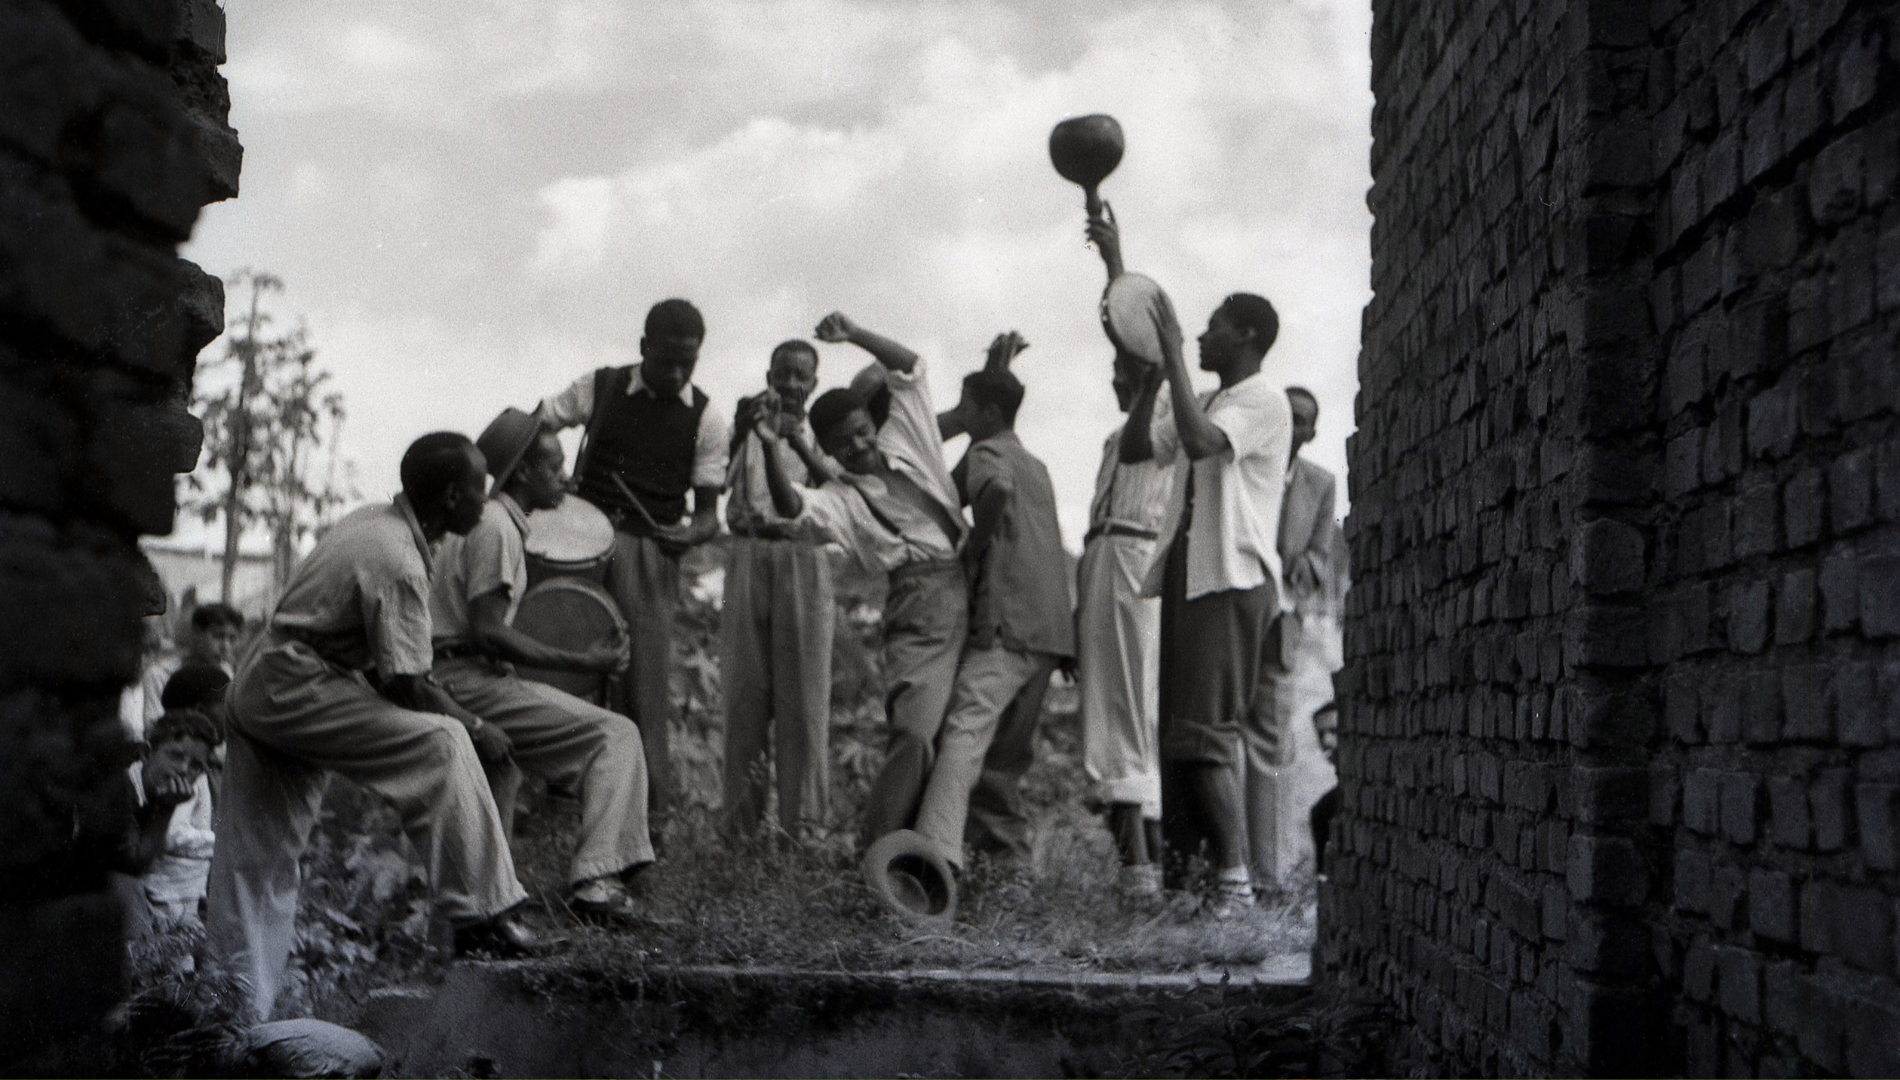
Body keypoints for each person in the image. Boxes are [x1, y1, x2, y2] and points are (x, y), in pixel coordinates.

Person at [206, 432, 540, 1023]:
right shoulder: (397, 556)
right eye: (480, 488)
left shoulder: (384, 525)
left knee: (259, 862)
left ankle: (234, 1018)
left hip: (277, 682)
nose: (487, 501)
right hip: (294, 683)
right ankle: (481, 916)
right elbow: (406, 684)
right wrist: (478, 722)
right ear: (451, 495)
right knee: (444, 743)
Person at [1095, 210, 1294, 917]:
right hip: (1189, 573)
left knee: (1206, 737)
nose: (1202, 336)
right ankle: (1185, 887)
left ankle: (1236, 887)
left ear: (1246, 335)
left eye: (1213, 327)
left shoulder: (1262, 401)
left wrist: (1173, 354)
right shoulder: (1202, 393)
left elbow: (1205, 442)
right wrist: (1148, 355)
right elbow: (1137, 451)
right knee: (1179, 738)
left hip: (1231, 580)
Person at [750, 311, 968, 847]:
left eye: (862, 434)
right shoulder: (844, 500)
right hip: (918, 605)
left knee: (966, 735)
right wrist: (769, 446)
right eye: (843, 445)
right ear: (828, 449)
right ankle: (876, 856)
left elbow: (911, 367)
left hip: (974, 579)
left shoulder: (908, 439)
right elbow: (791, 505)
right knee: (916, 732)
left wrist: (854, 335)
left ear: (876, 426)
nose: (858, 447)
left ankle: (938, 854)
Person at [429, 408, 655, 924]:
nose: (567, 478)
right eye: (554, 467)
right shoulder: (498, 528)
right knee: (615, 735)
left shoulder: (483, 522)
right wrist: (583, 660)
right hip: (463, 681)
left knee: (502, 776)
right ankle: (597, 880)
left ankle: (489, 910)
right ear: (525, 473)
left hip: (451, 675)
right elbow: (488, 630)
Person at [536, 299, 731, 824]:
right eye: (664, 360)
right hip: (576, 549)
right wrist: (552, 474)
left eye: (685, 364)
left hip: (650, 554)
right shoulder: (598, 388)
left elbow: (710, 516)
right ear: (643, 347)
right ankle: (553, 812)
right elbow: (539, 422)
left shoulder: (708, 417)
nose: (674, 373)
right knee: (560, 677)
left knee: (641, 688)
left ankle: (643, 823)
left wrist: (687, 533)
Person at [908, 336, 1075, 877]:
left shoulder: (987, 455)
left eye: (967, 406)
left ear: (987, 412)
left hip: (1006, 627)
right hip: (1049, 633)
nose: (960, 413)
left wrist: (974, 545)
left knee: (963, 735)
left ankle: (938, 860)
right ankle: (1007, 872)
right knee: (1004, 762)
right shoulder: (1038, 464)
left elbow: (992, 489)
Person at [1080, 267, 1180, 898]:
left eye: (1126, 373)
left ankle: (1143, 869)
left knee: (1128, 713)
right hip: (1104, 558)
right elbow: (1124, 328)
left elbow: (1135, 332)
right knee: (1112, 706)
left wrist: (1117, 264)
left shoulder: (1163, 406)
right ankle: (1138, 867)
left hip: (1133, 556)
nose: (1117, 379)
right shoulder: (1117, 433)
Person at [721, 340, 836, 840]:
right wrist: (744, 432)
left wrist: (799, 443)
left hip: (803, 558)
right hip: (748, 551)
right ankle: (738, 833)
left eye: (800, 376)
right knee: (744, 697)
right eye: (782, 374)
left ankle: (803, 833)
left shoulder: (824, 434)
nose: (790, 384)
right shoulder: (747, 426)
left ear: (814, 383)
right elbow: (720, 483)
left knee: (804, 704)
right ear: (769, 374)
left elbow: (836, 489)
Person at [1241, 386, 1341, 888]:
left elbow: (1320, 556)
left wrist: (1292, 572)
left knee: (1269, 742)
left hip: (1280, 620)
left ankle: (1270, 872)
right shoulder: (1245, 470)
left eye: (1304, 420)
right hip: (1233, 616)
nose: (1295, 428)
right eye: (1290, 417)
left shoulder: (1321, 484)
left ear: (1312, 431)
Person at [129, 665, 232, 925]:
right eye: (226, 705)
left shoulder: (198, 772)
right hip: (158, 895)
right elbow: (169, 838)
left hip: (184, 897)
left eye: (196, 765)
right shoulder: (167, 777)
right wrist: (225, 843)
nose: (185, 769)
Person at [140, 603, 244, 730]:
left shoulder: (227, 673)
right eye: (218, 636)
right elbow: (153, 727)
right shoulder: (160, 675)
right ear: (197, 633)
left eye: (232, 639)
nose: (226, 647)